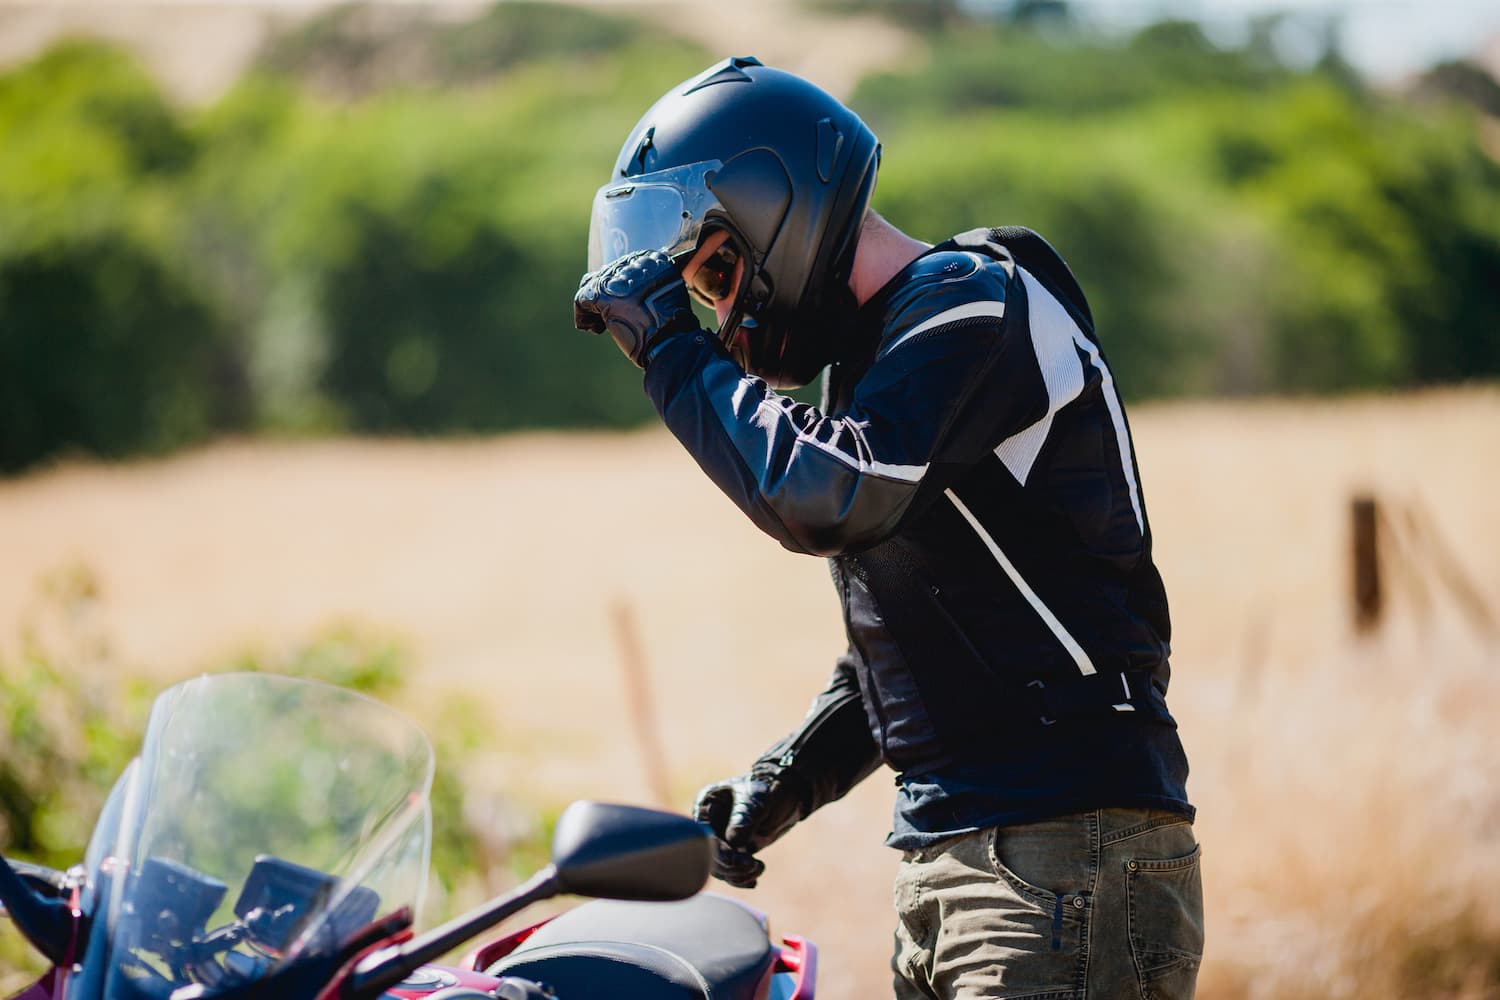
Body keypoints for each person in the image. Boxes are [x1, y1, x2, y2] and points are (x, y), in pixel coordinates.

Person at [572, 56, 1203, 1000]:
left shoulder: (971, 298)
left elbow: (828, 498)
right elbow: (935, 641)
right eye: (701, 295)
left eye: (718, 273)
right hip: (965, 858)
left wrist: (668, 347)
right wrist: (787, 778)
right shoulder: (878, 371)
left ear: (779, 211)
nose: (721, 314)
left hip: (1065, 849)